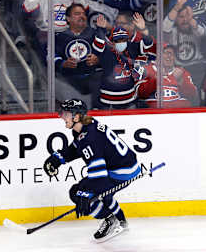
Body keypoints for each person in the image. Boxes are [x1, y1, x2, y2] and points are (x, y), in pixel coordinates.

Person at [43, 98, 140, 242]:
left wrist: (85, 195)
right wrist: (58, 158)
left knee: (77, 192)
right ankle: (121, 221)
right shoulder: (85, 126)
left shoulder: (90, 137)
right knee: (101, 193)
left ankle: (109, 219)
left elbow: (98, 175)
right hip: (124, 166)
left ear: (76, 116)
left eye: (65, 113)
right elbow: (77, 148)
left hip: (121, 172)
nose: (61, 116)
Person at [92, 14, 153, 109]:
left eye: (123, 40)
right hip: (108, 103)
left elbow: (147, 45)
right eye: (118, 40)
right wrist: (101, 29)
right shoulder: (105, 50)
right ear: (112, 41)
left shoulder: (131, 48)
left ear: (127, 40)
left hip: (129, 101)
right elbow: (97, 46)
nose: (121, 43)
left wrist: (143, 30)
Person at [54, 3, 100, 109]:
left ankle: (97, 110)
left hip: (92, 76)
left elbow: (108, 54)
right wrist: (63, 63)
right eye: (77, 14)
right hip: (68, 78)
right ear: (68, 18)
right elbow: (51, 56)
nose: (82, 16)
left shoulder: (95, 34)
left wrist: (98, 59)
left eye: (83, 14)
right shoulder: (60, 37)